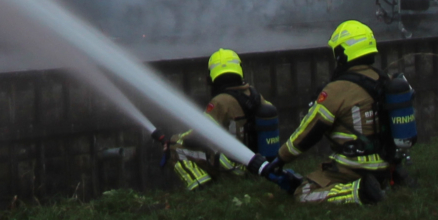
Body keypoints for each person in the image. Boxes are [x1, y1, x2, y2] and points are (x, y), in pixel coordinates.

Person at [273, 20, 391, 204]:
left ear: (343, 53)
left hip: (354, 166)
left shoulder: (337, 89)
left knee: (303, 192)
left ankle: (359, 193)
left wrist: (280, 158)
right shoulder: (383, 80)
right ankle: (384, 183)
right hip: (386, 162)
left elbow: (308, 131)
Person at [159, 48, 271, 190]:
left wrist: (175, 139)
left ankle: (204, 189)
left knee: (174, 149)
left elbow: (198, 136)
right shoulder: (255, 96)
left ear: (211, 77)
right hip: (259, 165)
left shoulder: (220, 102)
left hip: (237, 168)